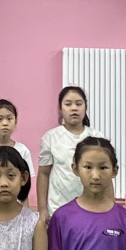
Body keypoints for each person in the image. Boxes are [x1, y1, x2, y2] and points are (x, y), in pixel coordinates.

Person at [36, 86, 89, 218]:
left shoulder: (96, 137)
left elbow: (106, 178)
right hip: (57, 208)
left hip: (90, 207)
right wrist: (42, 210)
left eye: (79, 104)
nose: (74, 108)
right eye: (68, 104)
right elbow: (43, 174)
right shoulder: (50, 137)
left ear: (85, 107)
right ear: (60, 108)